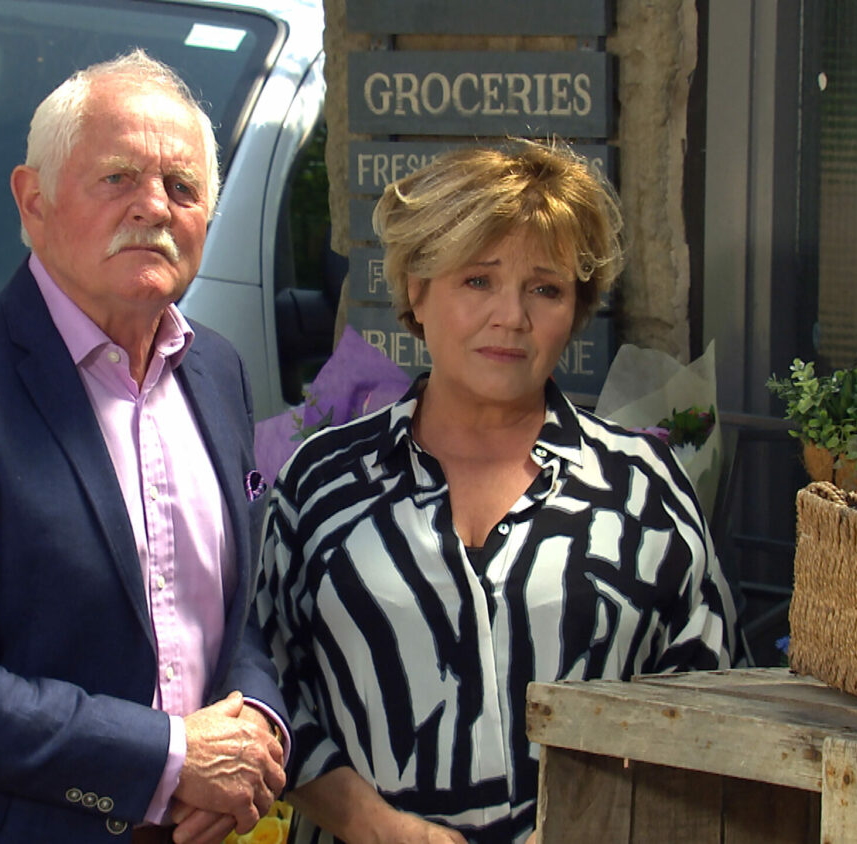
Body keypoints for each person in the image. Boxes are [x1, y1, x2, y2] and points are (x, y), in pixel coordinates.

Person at [0, 49, 288, 844]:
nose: (153, 206)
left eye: (182, 187)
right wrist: (173, 757)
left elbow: (225, 614)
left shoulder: (218, 371)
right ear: (32, 201)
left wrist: (256, 725)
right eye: (118, 177)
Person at [255, 140, 738, 844]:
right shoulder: (321, 483)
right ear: (417, 289)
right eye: (478, 280)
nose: (511, 316)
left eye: (545, 289)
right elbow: (269, 692)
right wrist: (376, 827)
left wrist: (591, 829)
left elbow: (711, 709)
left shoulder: (645, 491)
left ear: (576, 309)